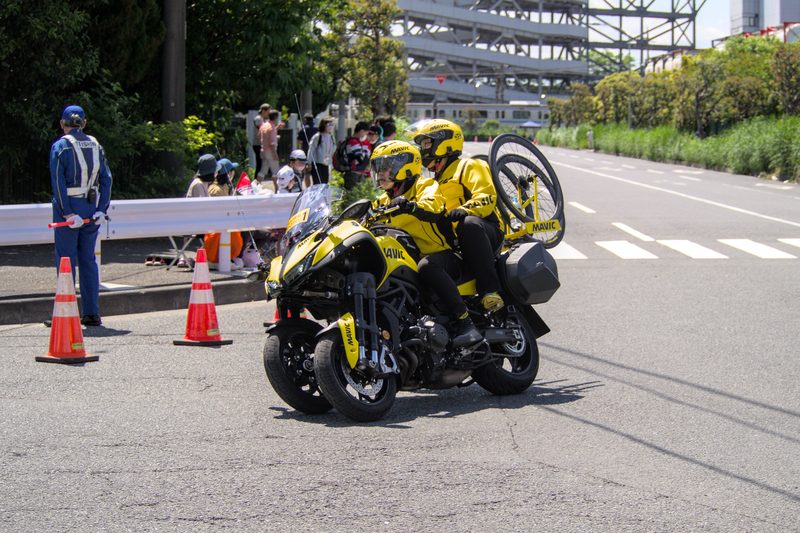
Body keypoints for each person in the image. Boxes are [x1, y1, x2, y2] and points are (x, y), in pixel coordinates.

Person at [370, 141, 481, 348]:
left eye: (386, 167)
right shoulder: (382, 201)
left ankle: (466, 323)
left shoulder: (425, 186)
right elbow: (367, 220)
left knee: (427, 266)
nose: (381, 173)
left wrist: (410, 206)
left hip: (444, 255)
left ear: (406, 165)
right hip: (406, 260)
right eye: (378, 168)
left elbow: (433, 206)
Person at [409, 119, 505, 313]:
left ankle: (490, 291)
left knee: (467, 224)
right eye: (421, 145)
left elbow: (487, 196)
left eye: (427, 143)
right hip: (456, 243)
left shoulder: (469, 166)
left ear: (444, 143)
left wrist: (467, 209)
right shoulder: (433, 181)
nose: (423, 149)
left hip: (485, 231)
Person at [49, 104, 112, 327]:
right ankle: (92, 313)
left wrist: (66, 212)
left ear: (62, 124)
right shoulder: (96, 145)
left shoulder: (60, 146)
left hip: (69, 207)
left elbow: (58, 183)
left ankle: (66, 312)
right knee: (88, 259)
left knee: (65, 260)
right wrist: (102, 209)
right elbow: (107, 179)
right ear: (84, 123)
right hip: (91, 207)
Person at [205, 158, 243, 270]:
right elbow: (220, 211)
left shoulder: (225, 187)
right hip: (217, 224)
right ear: (228, 173)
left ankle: (234, 256)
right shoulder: (215, 190)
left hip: (225, 221)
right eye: (232, 170)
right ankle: (231, 256)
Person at [306, 115, 335, 185]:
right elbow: (311, 149)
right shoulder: (317, 136)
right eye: (329, 124)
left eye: (332, 124)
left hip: (326, 164)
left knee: (325, 183)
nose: (331, 126)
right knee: (317, 183)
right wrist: (309, 162)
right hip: (317, 163)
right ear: (324, 125)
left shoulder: (331, 137)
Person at [258, 109, 282, 189]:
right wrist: (275, 154)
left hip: (263, 150)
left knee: (263, 171)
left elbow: (258, 136)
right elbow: (272, 143)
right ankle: (277, 189)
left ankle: (256, 186)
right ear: (275, 118)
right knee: (276, 171)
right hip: (270, 151)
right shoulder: (272, 127)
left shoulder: (264, 125)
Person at [343, 121, 371, 189]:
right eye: (366, 133)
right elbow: (359, 158)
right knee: (353, 195)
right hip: (353, 174)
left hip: (356, 173)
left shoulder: (356, 141)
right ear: (361, 131)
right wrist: (366, 165)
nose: (366, 135)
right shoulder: (353, 142)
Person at [252, 103, 270, 178]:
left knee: (261, 164)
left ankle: (257, 182)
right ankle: (256, 182)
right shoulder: (258, 119)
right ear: (263, 110)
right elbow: (262, 130)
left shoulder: (263, 119)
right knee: (259, 164)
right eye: (268, 111)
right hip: (258, 144)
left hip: (261, 144)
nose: (269, 113)